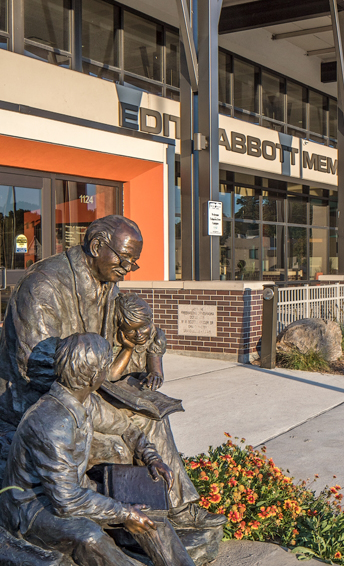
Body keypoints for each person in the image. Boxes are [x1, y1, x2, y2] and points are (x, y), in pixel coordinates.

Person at [0, 215, 220, 530]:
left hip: (87, 386)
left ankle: (177, 508)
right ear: (96, 246)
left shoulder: (108, 283)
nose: (129, 268)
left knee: (150, 412)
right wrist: (99, 385)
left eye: (134, 262)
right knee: (125, 435)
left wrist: (135, 354)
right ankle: (139, 515)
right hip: (41, 398)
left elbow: (126, 339)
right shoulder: (43, 285)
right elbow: (35, 364)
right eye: (125, 259)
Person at [0, 332, 195, 566]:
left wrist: (151, 457)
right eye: (105, 367)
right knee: (90, 537)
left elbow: (127, 428)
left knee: (147, 507)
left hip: (74, 490)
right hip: (31, 509)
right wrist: (124, 513)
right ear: (94, 376)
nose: (107, 372)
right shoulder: (51, 423)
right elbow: (66, 501)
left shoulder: (85, 400)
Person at [110, 293, 166, 389]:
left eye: (143, 327)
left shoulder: (156, 337)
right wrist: (128, 349)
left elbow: (156, 372)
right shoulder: (113, 341)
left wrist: (155, 377)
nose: (139, 334)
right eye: (130, 330)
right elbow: (112, 376)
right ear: (121, 329)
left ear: (150, 322)